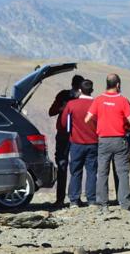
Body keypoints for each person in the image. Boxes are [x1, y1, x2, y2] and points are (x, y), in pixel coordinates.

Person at [85, 73, 130, 212]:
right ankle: (125, 204)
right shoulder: (122, 100)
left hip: (103, 140)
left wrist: (100, 124)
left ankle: (103, 205)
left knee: (102, 173)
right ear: (118, 85)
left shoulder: (98, 100)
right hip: (119, 140)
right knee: (122, 172)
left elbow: (87, 118)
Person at [60, 79, 98, 208]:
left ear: (80, 90)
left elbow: (64, 123)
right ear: (91, 90)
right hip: (93, 143)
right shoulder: (96, 104)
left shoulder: (71, 104)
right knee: (92, 172)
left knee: (76, 171)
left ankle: (74, 200)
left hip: (76, 143)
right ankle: (91, 200)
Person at [49, 74, 85, 207]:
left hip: (75, 134)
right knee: (64, 166)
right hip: (66, 135)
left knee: (74, 166)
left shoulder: (82, 98)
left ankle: (72, 198)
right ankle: (63, 198)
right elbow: (51, 111)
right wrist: (64, 108)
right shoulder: (63, 95)